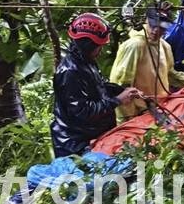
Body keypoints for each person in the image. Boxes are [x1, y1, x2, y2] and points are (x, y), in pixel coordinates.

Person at [51, 13, 141, 158]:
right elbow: (83, 111)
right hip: (75, 144)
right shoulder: (70, 72)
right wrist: (117, 101)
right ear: (88, 45)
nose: (101, 50)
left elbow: (98, 87)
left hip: (95, 136)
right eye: (99, 46)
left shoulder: (85, 61)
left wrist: (122, 91)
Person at [110, 6, 184, 121]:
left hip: (160, 108)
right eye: (153, 26)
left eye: (161, 28)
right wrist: (127, 116)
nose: (156, 31)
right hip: (137, 111)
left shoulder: (165, 46)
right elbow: (121, 83)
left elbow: (170, 74)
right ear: (146, 21)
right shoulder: (135, 45)